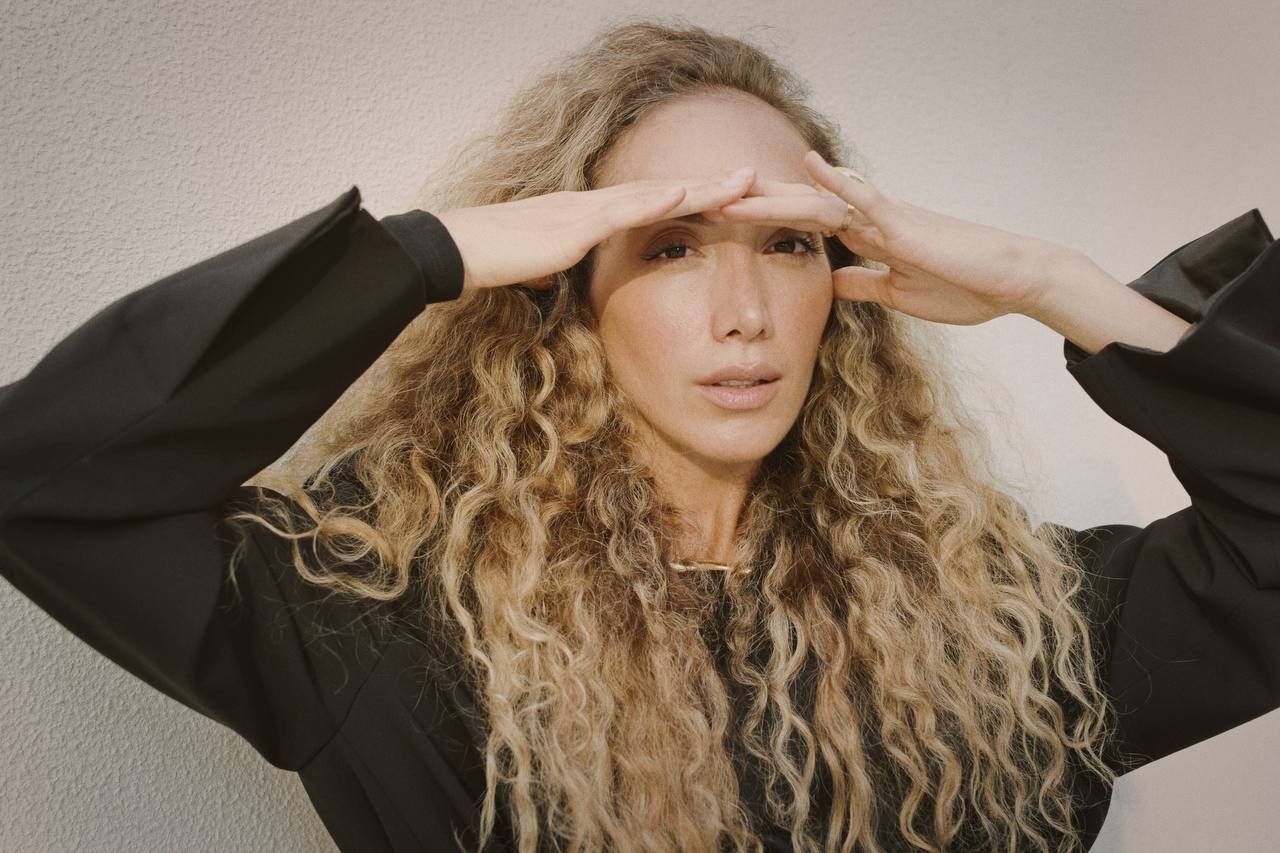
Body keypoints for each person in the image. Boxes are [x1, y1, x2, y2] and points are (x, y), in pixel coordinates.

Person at [1, 17, 1277, 853]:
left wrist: (1048, 278)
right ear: (569, 290)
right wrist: (438, 252)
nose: (742, 313)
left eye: (788, 243)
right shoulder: (374, 609)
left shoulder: (1007, 620)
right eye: (670, 249)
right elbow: (47, 478)